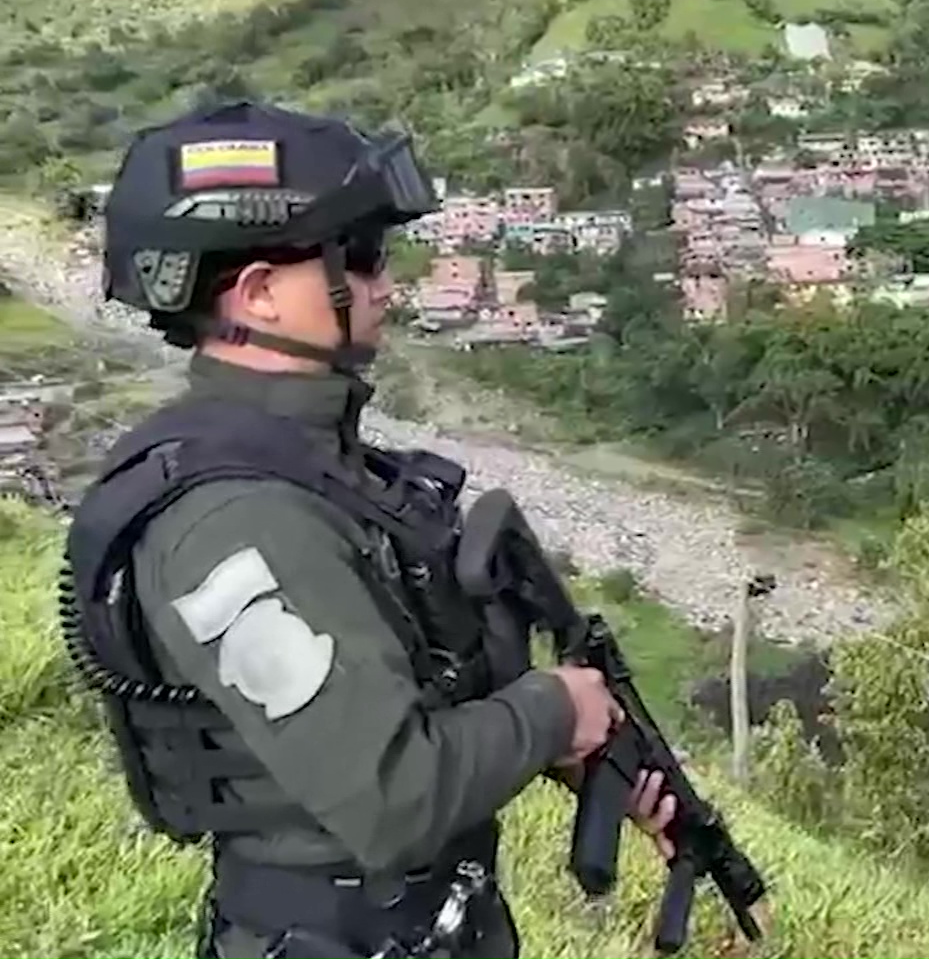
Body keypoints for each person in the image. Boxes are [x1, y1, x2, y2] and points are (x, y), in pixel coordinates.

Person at [59, 100, 677, 959]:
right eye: (359, 256)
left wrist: (561, 746)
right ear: (261, 294)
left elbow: (401, 687)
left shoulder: (318, 468)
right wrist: (550, 709)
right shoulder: (235, 519)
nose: (386, 284)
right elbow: (393, 796)